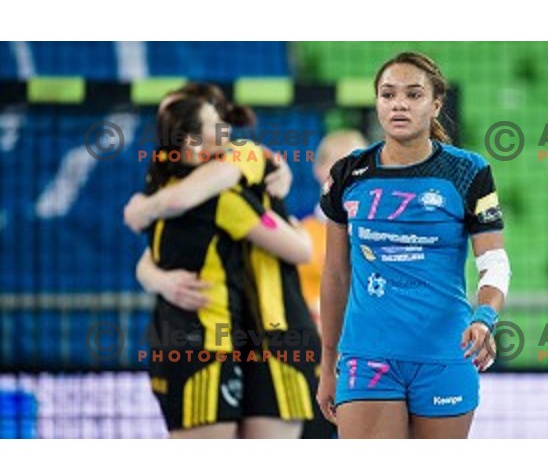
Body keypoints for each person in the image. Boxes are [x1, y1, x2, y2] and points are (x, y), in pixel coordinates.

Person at [317, 52, 511, 439]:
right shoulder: (348, 174)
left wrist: (484, 318)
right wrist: (328, 365)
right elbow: (336, 275)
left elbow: (495, 263)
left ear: (436, 104)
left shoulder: (469, 171)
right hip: (366, 356)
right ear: (377, 104)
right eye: (388, 95)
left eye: (413, 94)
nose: (399, 103)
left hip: (445, 355)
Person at [125, 93, 316, 439]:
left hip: (275, 336)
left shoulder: (241, 161)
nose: (227, 130)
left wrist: (142, 209)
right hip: (212, 340)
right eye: (216, 122)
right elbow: (156, 251)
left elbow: (303, 249)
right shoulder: (180, 192)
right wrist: (159, 279)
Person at [298, 130, 368, 323]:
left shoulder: (380, 234)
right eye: (338, 163)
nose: (348, 173)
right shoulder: (298, 231)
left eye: (358, 165)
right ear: (318, 169)